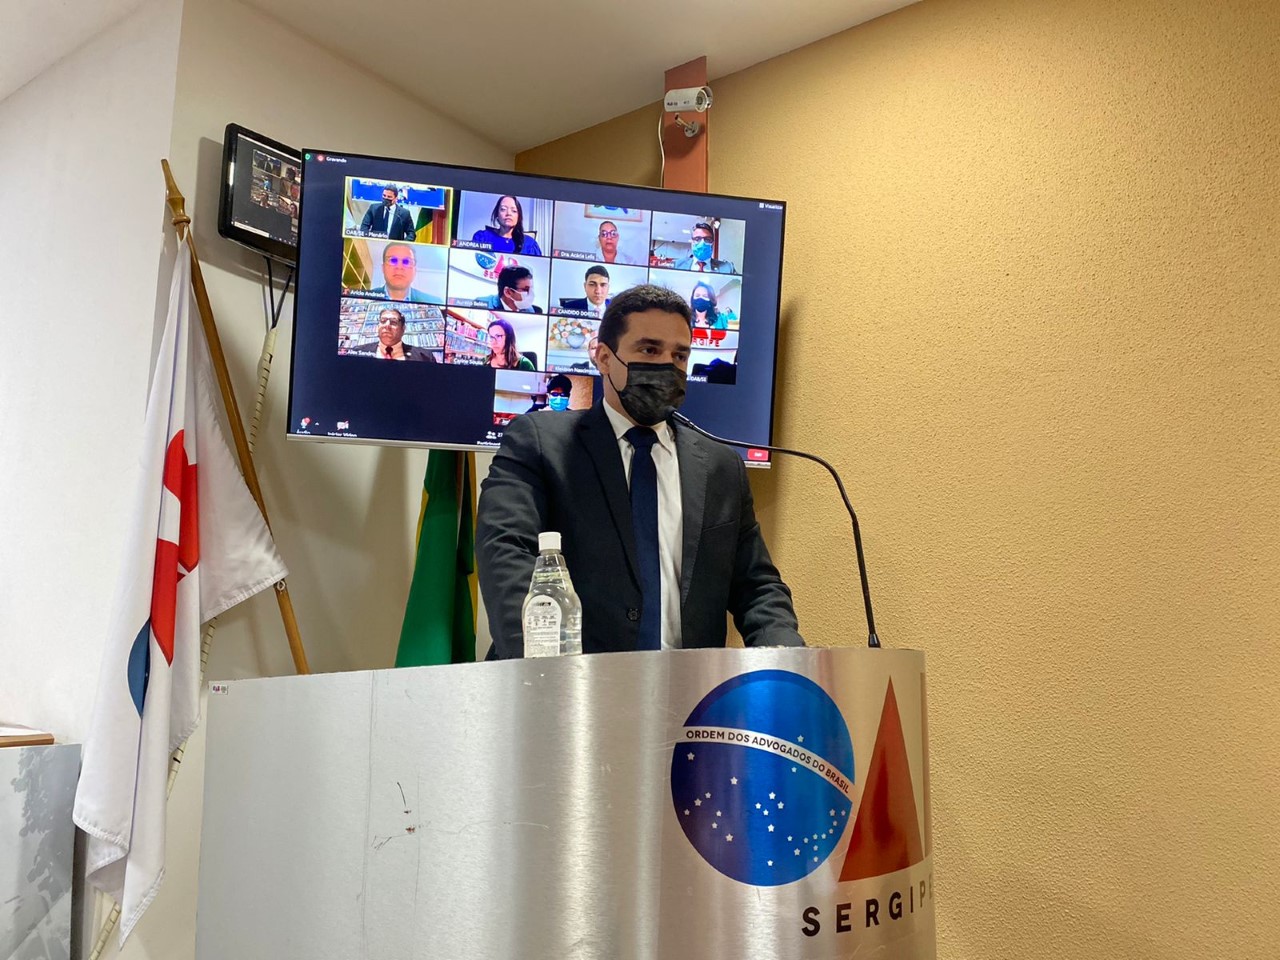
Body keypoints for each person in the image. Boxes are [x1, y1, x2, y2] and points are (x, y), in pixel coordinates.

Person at [477, 283, 802, 658]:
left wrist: (788, 665)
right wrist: (543, 671)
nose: (667, 365)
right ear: (603, 357)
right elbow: (505, 553)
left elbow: (757, 586)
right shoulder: (540, 443)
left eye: (679, 355)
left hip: (687, 687)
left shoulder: (721, 465)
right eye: (649, 350)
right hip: (569, 681)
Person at [346, 308, 436, 361]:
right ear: (378, 326)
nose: (387, 325)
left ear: (403, 329)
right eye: (383, 321)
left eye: (393, 322)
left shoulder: (425, 357)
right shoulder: (357, 352)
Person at [366, 243, 443, 304]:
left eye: (407, 262)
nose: (399, 267)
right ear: (383, 268)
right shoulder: (364, 299)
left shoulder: (435, 302)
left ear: (415, 271)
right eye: (393, 260)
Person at [471, 195, 543, 255]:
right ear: (497, 214)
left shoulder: (529, 244)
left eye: (514, 211)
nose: (508, 213)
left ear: (518, 217)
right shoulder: (482, 237)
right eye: (503, 209)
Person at [478, 265, 542, 313]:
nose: (532, 294)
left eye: (531, 289)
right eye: (526, 290)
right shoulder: (480, 305)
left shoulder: (530, 310)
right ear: (508, 292)